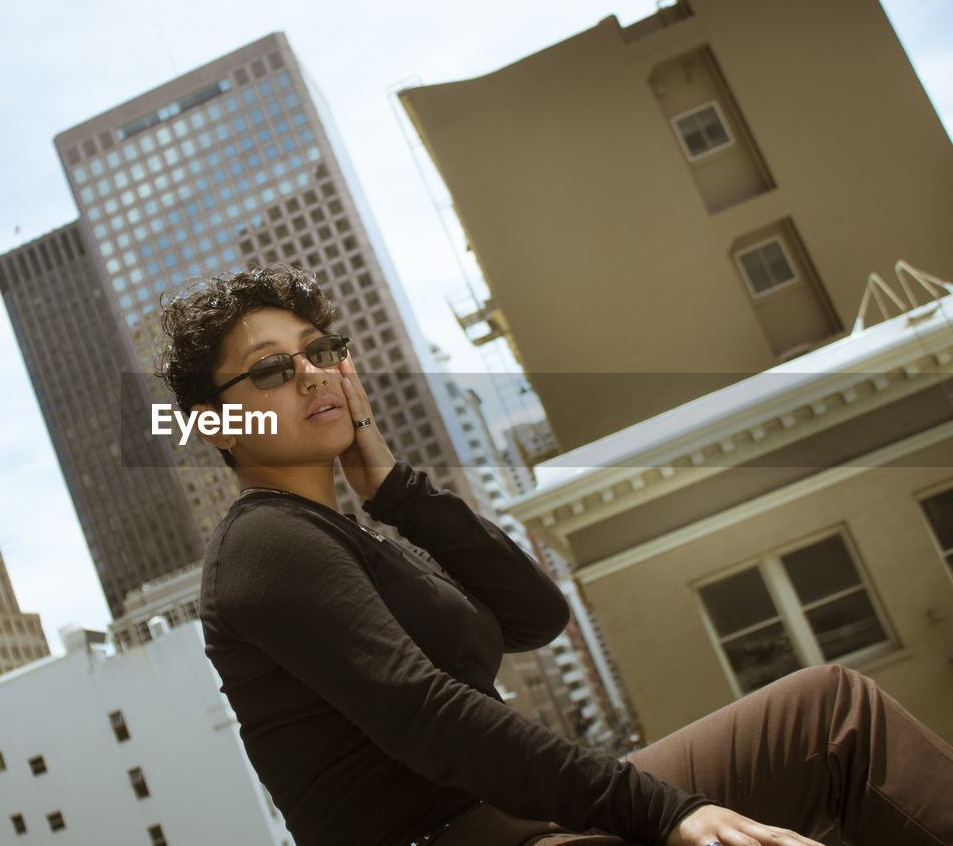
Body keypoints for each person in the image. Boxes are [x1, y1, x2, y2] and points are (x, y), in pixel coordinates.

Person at [155, 264, 953, 846]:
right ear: (216, 424)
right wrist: (667, 811)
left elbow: (534, 615)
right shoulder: (265, 544)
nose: (311, 374)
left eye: (320, 350)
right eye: (270, 367)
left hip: (515, 822)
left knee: (827, 711)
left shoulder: (345, 529)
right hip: (455, 840)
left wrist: (392, 484)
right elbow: (429, 718)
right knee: (831, 715)